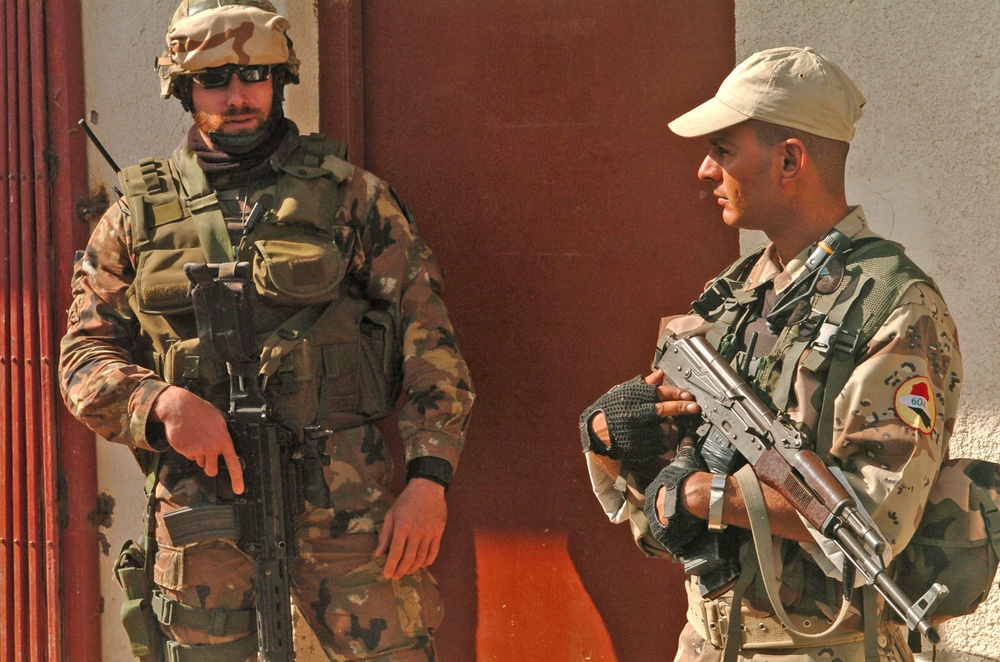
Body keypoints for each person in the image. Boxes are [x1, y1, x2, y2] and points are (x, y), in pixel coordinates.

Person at [59, 1, 474, 659]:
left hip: (345, 505)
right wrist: (159, 403)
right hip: (201, 512)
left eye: (254, 77)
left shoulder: (351, 198)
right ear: (183, 87)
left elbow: (428, 337)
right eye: (214, 80)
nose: (237, 96)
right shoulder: (133, 216)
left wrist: (429, 479)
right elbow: (84, 359)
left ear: (282, 79)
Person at [581, 47, 961, 661]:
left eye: (723, 150)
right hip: (707, 643)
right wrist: (611, 443)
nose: (705, 171)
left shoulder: (895, 305)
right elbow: (661, 519)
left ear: (790, 160)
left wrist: (709, 496)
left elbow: (875, 517)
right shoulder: (731, 295)